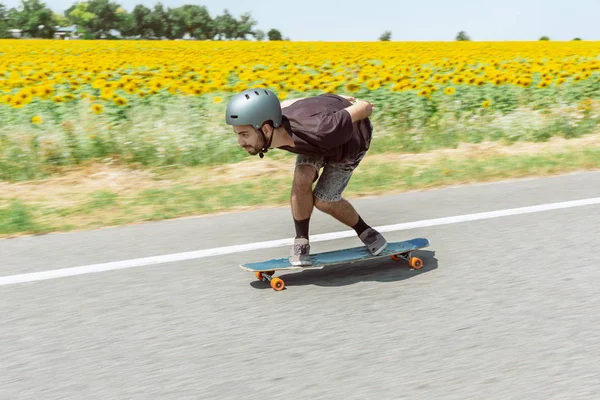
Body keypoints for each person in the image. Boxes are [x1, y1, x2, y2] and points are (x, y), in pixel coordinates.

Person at [225, 88, 388, 266]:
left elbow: (363, 108)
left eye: (244, 135)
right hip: (313, 142)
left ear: (265, 129)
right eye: (238, 134)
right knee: (301, 178)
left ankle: (366, 232)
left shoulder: (323, 127)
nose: (240, 143)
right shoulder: (274, 120)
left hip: (349, 143)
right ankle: (301, 242)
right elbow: (290, 103)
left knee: (324, 200)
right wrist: (333, 97)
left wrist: (358, 105)